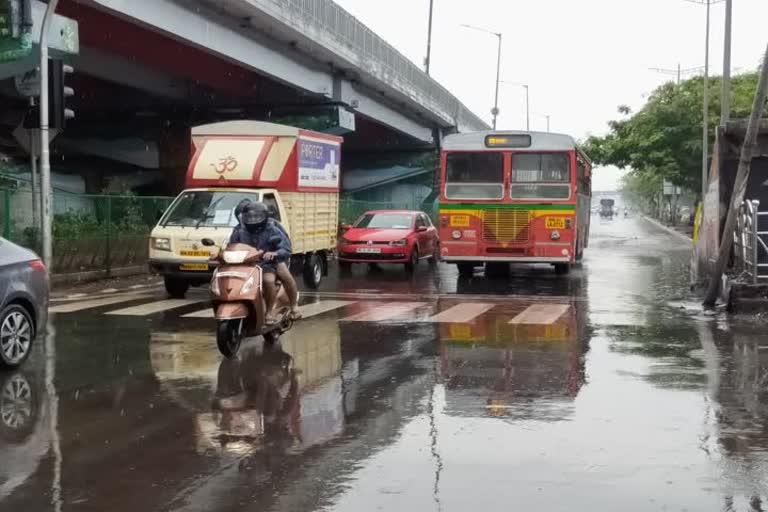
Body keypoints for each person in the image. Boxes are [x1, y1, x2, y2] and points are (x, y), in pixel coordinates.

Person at [230, 202, 301, 323]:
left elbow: (286, 248)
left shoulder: (272, 228)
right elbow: (231, 246)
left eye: (255, 217)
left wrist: (275, 254)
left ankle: (280, 309)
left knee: (271, 280)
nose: (252, 220)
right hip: (245, 265)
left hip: (267, 263)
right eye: (249, 217)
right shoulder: (239, 231)